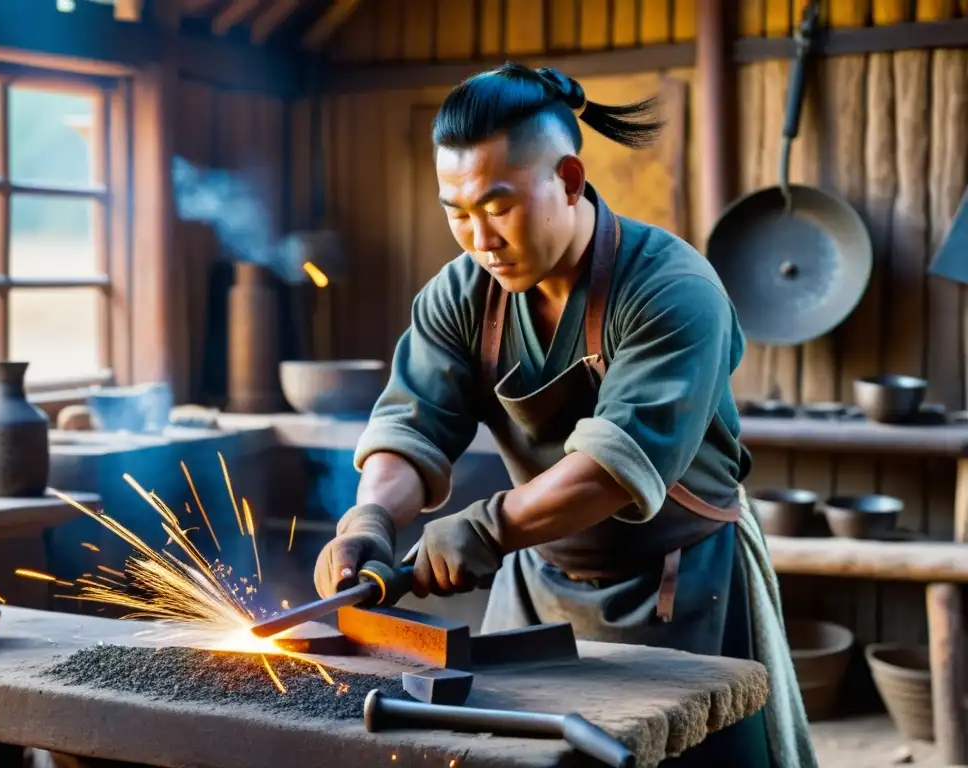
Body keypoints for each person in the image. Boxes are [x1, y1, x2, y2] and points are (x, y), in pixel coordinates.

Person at [313, 63, 815, 768]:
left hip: (682, 584)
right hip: (537, 577)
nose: (477, 238)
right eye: (455, 211)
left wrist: (486, 528)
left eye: (496, 206)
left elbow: (612, 470)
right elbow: (412, 427)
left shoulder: (673, 289)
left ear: (570, 180)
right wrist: (370, 518)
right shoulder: (460, 295)